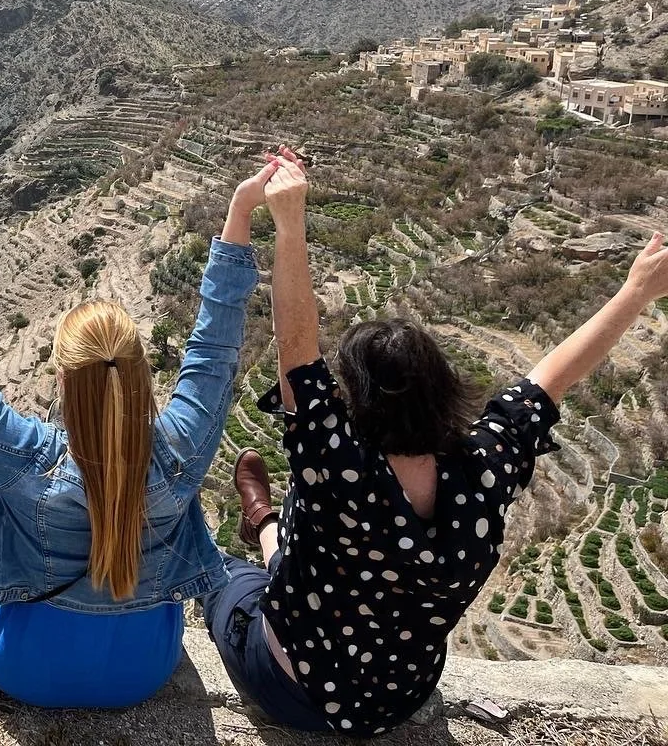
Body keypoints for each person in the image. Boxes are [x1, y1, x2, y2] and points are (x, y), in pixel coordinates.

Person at [205, 147, 668, 736]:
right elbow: (554, 376)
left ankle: (263, 528)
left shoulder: (335, 462)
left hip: (294, 690)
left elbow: (295, 338)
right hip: (400, 698)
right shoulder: (485, 467)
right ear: (443, 389)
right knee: (316, 547)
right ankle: (266, 522)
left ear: (354, 401)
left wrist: (289, 221)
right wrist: (636, 293)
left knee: (218, 575)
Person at [0, 164, 274, 708]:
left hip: (30, 666)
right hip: (142, 666)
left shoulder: (25, 458)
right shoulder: (179, 452)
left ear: (61, 379)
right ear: (140, 375)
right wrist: (239, 214)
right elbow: (215, 354)